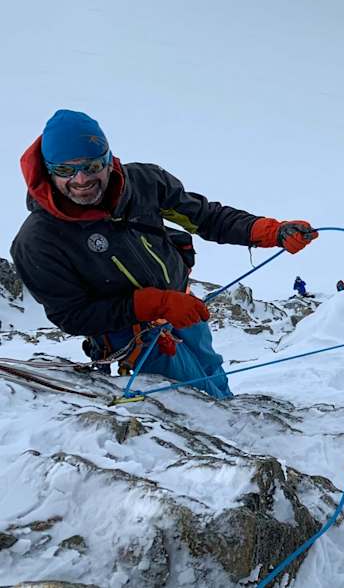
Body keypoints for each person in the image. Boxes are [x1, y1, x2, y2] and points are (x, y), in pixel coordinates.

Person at [10, 109, 318, 398]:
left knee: (213, 373)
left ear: (107, 160)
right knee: (196, 395)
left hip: (183, 307)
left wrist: (269, 232)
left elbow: (206, 217)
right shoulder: (38, 241)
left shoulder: (143, 183)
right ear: (49, 171)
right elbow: (72, 315)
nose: (81, 180)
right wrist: (153, 303)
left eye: (91, 167)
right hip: (135, 338)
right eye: (65, 170)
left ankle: (232, 417)